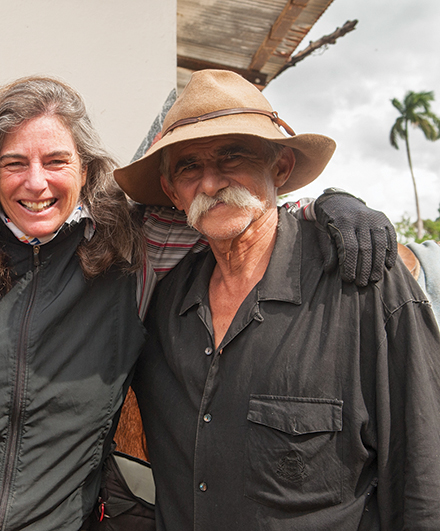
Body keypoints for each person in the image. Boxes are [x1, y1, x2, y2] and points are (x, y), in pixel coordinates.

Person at [0, 74, 394, 531]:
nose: (36, 181)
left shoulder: (127, 253)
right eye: (13, 162)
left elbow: (228, 213)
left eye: (56, 160)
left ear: (85, 169)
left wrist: (323, 209)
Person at [113, 69, 440, 529]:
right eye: (189, 167)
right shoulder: (161, 304)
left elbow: (425, 468)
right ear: (171, 192)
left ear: (281, 167)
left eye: (233, 156)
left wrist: (335, 198)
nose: (210, 183)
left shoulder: (363, 282)